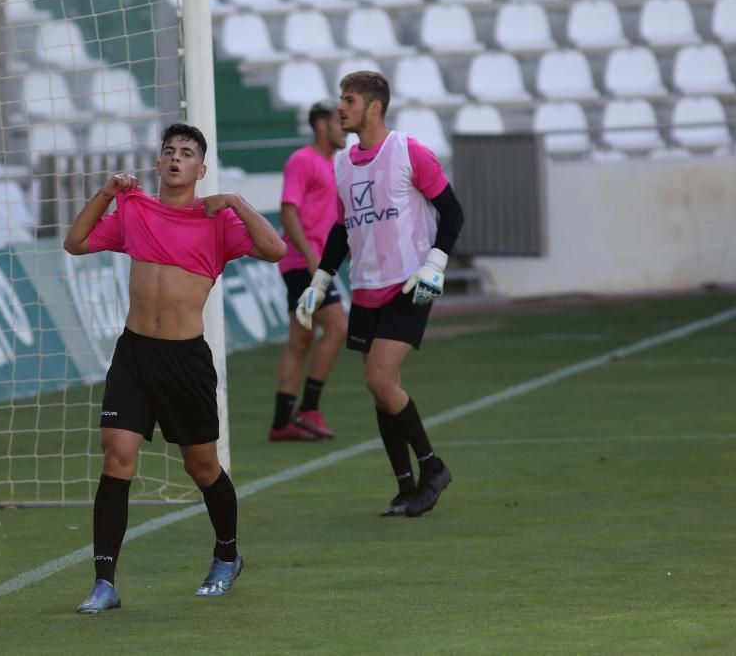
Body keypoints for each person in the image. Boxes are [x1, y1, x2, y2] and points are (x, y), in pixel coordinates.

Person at [63, 123, 286, 614]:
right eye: (169, 151)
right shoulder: (135, 210)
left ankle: (227, 557)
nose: (176, 158)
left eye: (186, 153)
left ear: (200, 169)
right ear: (160, 162)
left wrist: (235, 202)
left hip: (185, 361)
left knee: (201, 466)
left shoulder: (217, 221)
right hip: (134, 355)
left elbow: (275, 250)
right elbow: (74, 243)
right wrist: (105, 195)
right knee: (116, 456)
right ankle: (105, 582)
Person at [295, 71, 465, 518]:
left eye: (348, 100)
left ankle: (433, 468)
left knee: (378, 378)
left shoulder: (408, 151)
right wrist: (321, 281)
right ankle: (405, 487)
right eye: (340, 99)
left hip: (412, 283)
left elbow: (452, 211)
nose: (340, 108)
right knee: (382, 389)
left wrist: (435, 264)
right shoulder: (343, 163)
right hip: (367, 287)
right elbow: (340, 228)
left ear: (374, 107)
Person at [269, 100, 349, 441]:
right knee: (337, 327)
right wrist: (312, 257)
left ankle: (282, 422)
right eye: (338, 121)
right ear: (320, 125)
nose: (344, 127)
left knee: (300, 341)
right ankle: (308, 409)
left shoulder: (337, 165)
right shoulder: (303, 161)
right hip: (304, 264)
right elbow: (288, 213)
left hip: (315, 263)